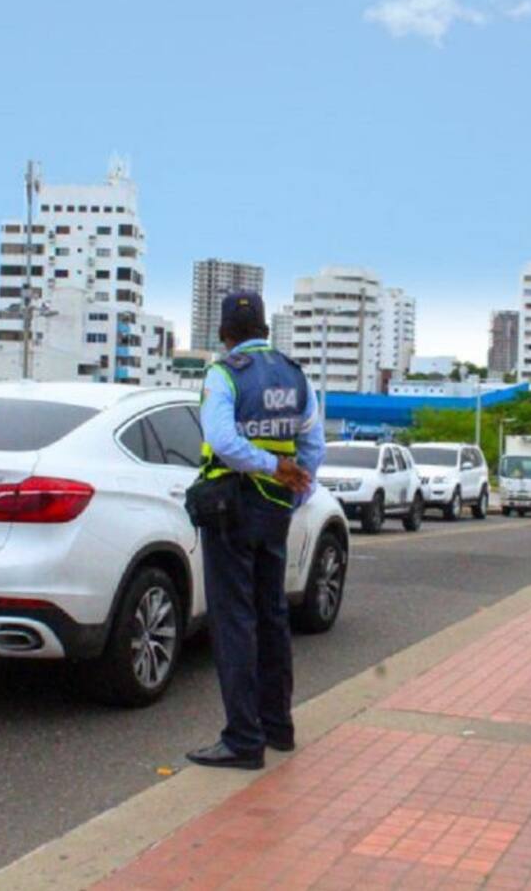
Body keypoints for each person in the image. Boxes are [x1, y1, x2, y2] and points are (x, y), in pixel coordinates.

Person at [185, 290, 326, 771]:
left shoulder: (224, 374)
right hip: (273, 512)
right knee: (272, 616)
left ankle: (244, 739)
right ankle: (277, 728)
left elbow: (222, 442)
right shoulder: (293, 373)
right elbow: (312, 444)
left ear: (225, 334)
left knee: (234, 622)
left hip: (231, 508)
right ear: (264, 329)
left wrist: (268, 466)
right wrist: (294, 489)